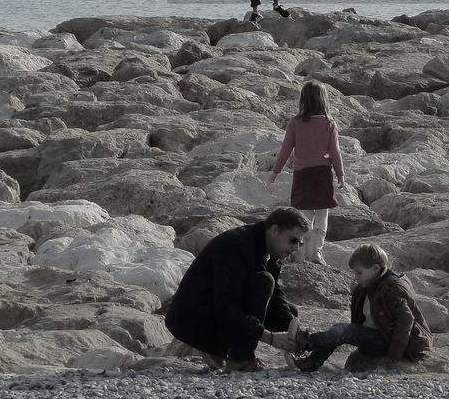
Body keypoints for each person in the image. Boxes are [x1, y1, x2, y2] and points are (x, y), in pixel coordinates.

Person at [164, 207, 310, 371]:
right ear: (275, 230)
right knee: (264, 281)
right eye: (294, 240)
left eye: (300, 243)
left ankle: (230, 352)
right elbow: (225, 306)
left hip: (218, 311)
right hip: (192, 320)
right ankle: (240, 359)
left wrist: (296, 332)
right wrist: (269, 337)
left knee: (290, 313)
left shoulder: (272, 252)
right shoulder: (236, 246)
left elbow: (275, 298)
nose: (297, 248)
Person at [293, 243, 432, 372]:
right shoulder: (367, 285)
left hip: (388, 340)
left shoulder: (393, 289)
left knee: (342, 331)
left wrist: (395, 353)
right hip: (375, 334)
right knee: (339, 333)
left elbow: (406, 318)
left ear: (375, 269)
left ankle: (307, 342)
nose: (355, 277)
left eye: (359, 273)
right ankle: (311, 362)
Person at [270, 81, 345, 263]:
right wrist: (340, 173)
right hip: (322, 174)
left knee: (304, 215)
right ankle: (316, 252)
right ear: (323, 100)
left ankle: (302, 252)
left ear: (303, 100)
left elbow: (286, 149)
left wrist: (275, 171)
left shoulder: (296, 123)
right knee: (322, 212)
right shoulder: (329, 124)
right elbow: (335, 152)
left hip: (302, 175)